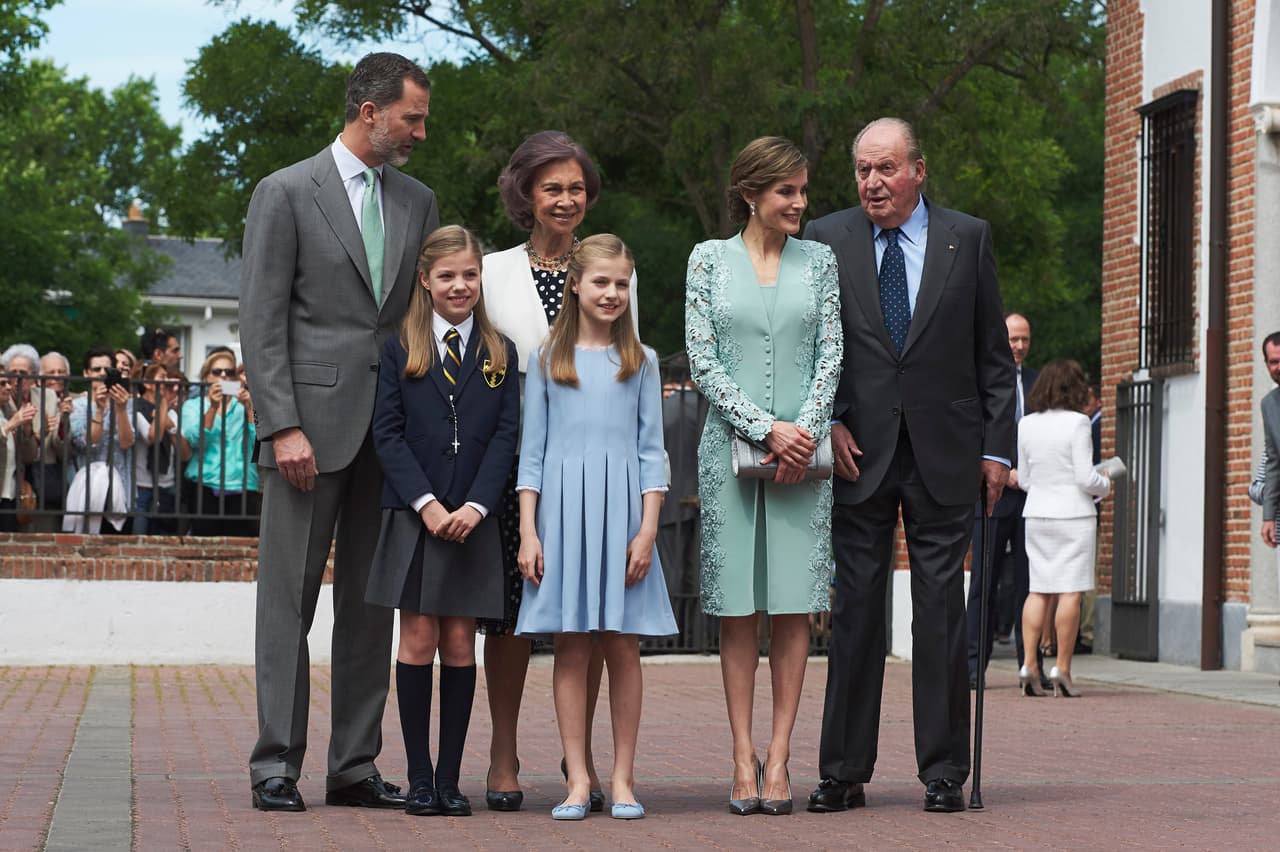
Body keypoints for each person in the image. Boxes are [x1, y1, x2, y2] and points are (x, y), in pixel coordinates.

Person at [239, 52, 439, 813]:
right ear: (370, 111)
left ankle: (354, 766)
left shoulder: (418, 200)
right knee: (286, 604)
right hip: (306, 436)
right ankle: (275, 765)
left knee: (370, 605)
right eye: (412, 118)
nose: (420, 133)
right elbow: (261, 320)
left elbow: (417, 318)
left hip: (389, 438)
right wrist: (282, 425)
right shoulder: (286, 192)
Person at [803, 117, 1015, 814]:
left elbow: (992, 355)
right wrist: (827, 419)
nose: (872, 182)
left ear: (919, 171)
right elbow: (813, 346)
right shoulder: (825, 238)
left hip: (946, 453)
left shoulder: (968, 237)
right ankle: (843, 771)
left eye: (886, 168)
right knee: (855, 613)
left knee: (941, 614)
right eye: (863, 170)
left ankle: (944, 772)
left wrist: (996, 449)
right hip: (857, 452)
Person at [684, 136, 843, 817]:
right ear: (750, 194)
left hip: (804, 458)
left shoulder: (821, 261)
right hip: (728, 452)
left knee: (793, 603)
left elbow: (832, 353)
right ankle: (740, 754)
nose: (800, 202)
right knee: (738, 607)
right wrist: (763, 428)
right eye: (786, 191)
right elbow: (702, 359)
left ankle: (779, 756)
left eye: (803, 190)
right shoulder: (706, 260)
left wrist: (801, 434)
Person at [479, 130, 628, 812]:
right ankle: (502, 751)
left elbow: (626, 363)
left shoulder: (610, 267)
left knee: (586, 617)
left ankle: (581, 760)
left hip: (591, 468)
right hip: (515, 462)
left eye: (576, 188)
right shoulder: (492, 272)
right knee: (511, 614)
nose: (566, 199)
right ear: (526, 194)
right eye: (552, 188)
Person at [514, 234, 676, 820]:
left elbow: (652, 452)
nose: (612, 293)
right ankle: (578, 780)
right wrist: (529, 531)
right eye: (601, 282)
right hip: (562, 518)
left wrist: (648, 531)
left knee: (623, 645)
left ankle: (623, 778)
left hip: (624, 519)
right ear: (576, 285)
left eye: (622, 284)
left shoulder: (642, 361)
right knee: (570, 645)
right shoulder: (545, 360)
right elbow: (532, 454)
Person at [366, 226, 519, 818]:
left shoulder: (500, 352)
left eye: (470, 274)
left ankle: (451, 780)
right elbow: (387, 434)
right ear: (426, 281)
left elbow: (505, 437)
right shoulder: (399, 348)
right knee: (419, 638)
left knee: (459, 642)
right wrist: (426, 503)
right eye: (448, 275)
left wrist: (476, 506)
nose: (460, 285)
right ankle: (419, 779)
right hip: (416, 516)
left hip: (472, 521)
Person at [1015, 359, 1112, 698]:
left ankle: (1029, 664)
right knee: (1071, 591)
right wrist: (1105, 483)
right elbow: (1085, 477)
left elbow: (1025, 479)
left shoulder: (1026, 424)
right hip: (1073, 515)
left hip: (1037, 513)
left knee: (1038, 589)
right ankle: (1063, 669)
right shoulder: (1078, 422)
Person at [967, 312, 1039, 689]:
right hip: (993, 493)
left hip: (1031, 497)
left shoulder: (1038, 383)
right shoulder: (985, 380)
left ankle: (1030, 665)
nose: (1019, 346)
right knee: (985, 581)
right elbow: (978, 427)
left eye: (1024, 339)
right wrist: (1004, 466)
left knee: (1030, 583)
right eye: (1013, 339)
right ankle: (973, 666)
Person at [180, 352, 255, 535]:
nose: (223, 376)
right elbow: (195, 442)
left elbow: (257, 444)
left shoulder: (243, 405)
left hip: (242, 485)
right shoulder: (193, 405)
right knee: (204, 542)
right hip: (204, 484)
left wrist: (250, 408)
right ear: (206, 376)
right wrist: (213, 408)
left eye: (229, 372)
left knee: (240, 546)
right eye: (217, 371)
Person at [67, 347, 135, 533]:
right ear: (86, 373)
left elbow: (127, 442)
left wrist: (121, 409)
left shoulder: (125, 403)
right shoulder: (78, 406)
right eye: (96, 369)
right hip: (86, 494)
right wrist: (99, 409)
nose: (102, 374)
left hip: (119, 493)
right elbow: (88, 443)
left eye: (107, 369)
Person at [132, 363, 187, 534]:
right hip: (143, 486)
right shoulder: (136, 408)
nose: (166, 382)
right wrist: (163, 406)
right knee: (139, 539)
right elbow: (153, 437)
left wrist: (170, 426)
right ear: (148, 383)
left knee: (165, 538)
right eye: (162, 377)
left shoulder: (171, 413)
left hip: (167, 485)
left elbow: (185, 453)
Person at [0, 368, 39, 532]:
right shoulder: (12, 419)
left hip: (9, 495)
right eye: (2, 383)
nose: (9, 387)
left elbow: (29, 456)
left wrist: (28, 430)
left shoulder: (9, 411)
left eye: (8, 383)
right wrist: (9, 426)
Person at [1259, 332, 1280, 560]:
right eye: (1274, 362)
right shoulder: (1269, 405)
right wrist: (1268, 516)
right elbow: (1273, 463)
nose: (1279, 367)